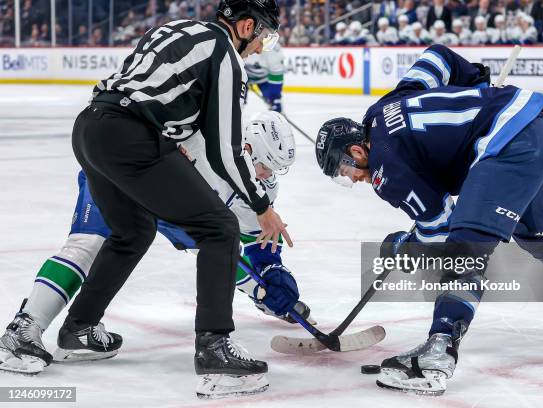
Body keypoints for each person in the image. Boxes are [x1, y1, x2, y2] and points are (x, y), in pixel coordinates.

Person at [315, 44, 543, 395]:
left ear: (356, 151)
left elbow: (439, 228)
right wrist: (476, 83)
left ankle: (436, 356)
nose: (351, 179)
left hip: (510, 145)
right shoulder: (382, 109)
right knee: (539, 233)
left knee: (464, 248)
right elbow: (437, 57)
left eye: (344, 171)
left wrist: (403, 246)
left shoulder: (384, 168)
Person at [48, 0, 286, 399]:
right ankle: (214, 348)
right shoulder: (226, 55)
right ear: (246, 27)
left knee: (132, 231)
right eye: (263, 36)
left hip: (90, 126)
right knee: (219, 228)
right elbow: (224, 151)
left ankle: (78, 328)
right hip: (131, 137)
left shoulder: (177, 28)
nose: (262, 47)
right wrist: (263, 207)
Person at [0, 110, 313, 374]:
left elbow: (253, 242)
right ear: (247, 148)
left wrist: (271, 275)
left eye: (275, 169)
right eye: (266, 165)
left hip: (165, 198)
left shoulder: (260, 190)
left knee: (200, 242)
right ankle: (22, 331)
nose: (269, 175)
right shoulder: (203, 139)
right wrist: (258, 289)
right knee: (88, 244)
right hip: (122, 172)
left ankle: (79, 329)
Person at [245, 42, 285, 112]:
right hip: (242, 74)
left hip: (264, 79)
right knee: (236, 101)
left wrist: (275, 98)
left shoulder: (273, 50)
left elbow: (276, 73)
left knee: (272, 101)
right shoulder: (241, 40)